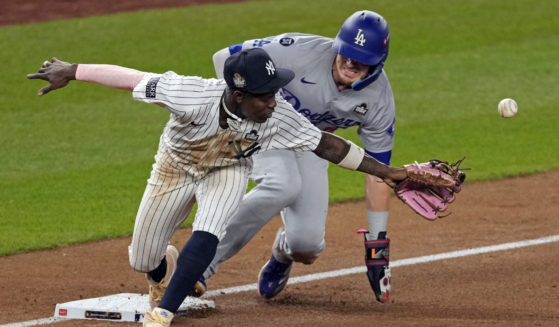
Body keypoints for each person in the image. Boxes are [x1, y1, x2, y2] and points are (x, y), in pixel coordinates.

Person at [27, 48, 408, 327]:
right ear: (238, 95)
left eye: (275, 93)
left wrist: (387, 173)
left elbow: (329, 144)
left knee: (209, 228)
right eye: (265, 95)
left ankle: (164, 310)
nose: (274, 102)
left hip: (227, 170)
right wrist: (73, 70)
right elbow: (133, 77)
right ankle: (165, 272)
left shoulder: (278, 115)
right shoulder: (189, 94)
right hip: (174, 169)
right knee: (142, 260)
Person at [203, 10, 395, 303]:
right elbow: (223, 58)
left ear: (377, 64)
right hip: (264, 128)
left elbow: (379, 172)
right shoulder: (295, 51)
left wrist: (377, 244)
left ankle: (282, 254)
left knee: (307, 245)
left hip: (314, 145)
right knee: (282, 184)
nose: (351, 62)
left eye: (362, 59)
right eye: (347, 53)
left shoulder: (379, 101)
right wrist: (237, 108)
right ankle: (201, 264)